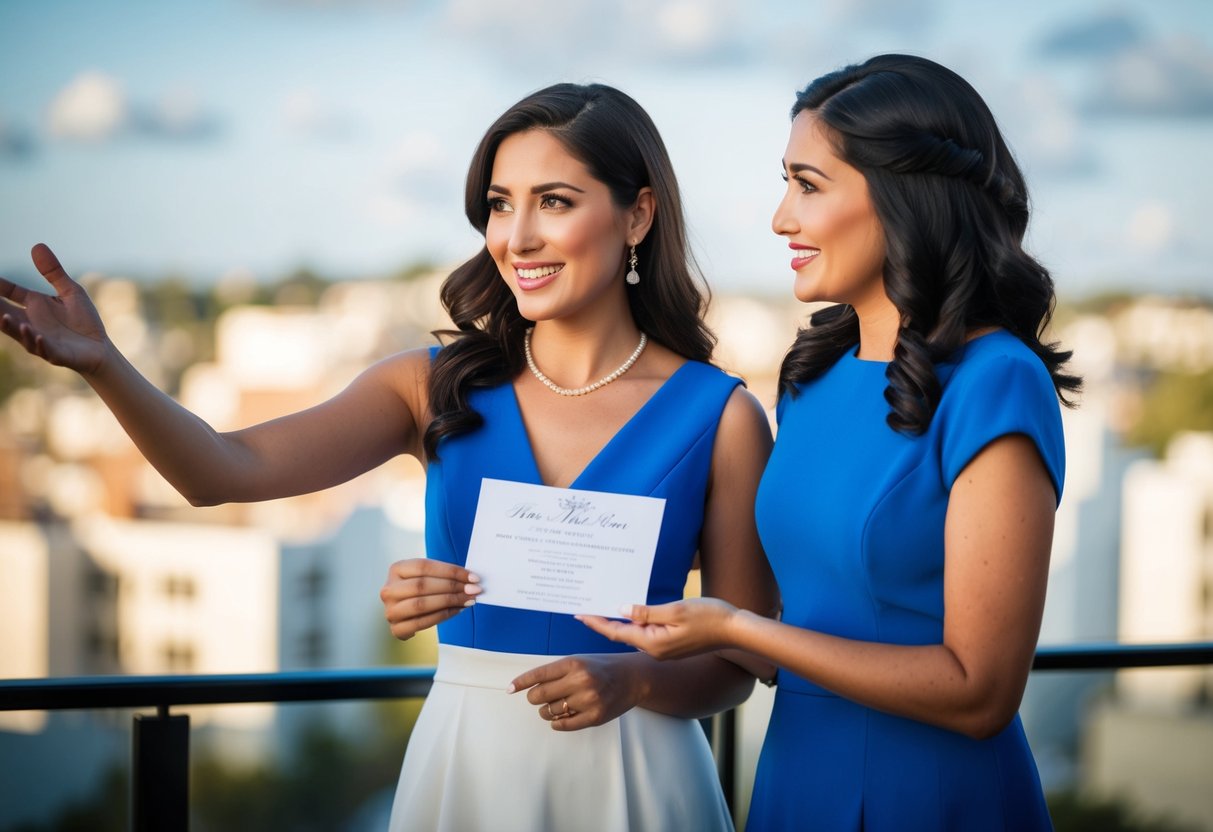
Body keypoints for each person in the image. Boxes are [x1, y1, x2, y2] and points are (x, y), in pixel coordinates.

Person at [1, 82, 778, 832]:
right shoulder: (426, 386)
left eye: (555, 201)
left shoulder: (724, 417)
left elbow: (737, 662)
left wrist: (637, 678)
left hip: (637, 776)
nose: (517, 237)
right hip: (468, 765)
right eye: (500, 205)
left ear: (637, 213)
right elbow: (216, 472)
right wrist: (105, 364)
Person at [582, 55, 1082, 831]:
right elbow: (794, 612)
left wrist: (740, 629)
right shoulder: (810, 375)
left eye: (808, 186)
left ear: (902, 198)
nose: (782, 218)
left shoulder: (996, 382)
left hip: (932, 799)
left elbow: (979, 693)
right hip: (795, 784)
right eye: (786, 183)